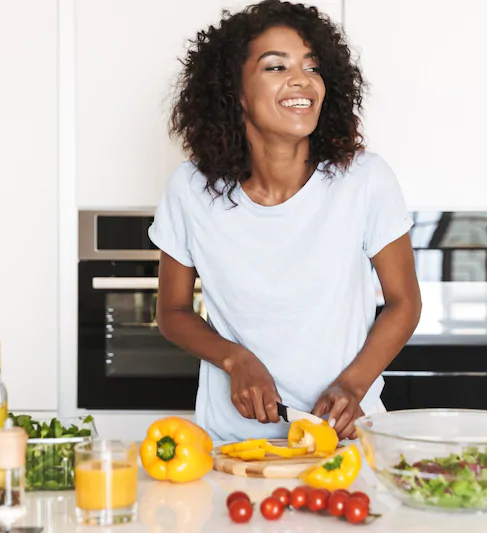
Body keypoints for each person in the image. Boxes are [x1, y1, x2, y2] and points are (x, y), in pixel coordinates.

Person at [148, 0, 422, 443]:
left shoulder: (364, 180)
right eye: (276, 67)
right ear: (234, 91)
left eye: (311, 67)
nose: (301, 79)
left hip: (346, 436)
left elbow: (404, 302)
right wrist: (235, 360)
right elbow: (173, 311)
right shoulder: (190, 190)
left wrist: (353, 385)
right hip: (235, 443)